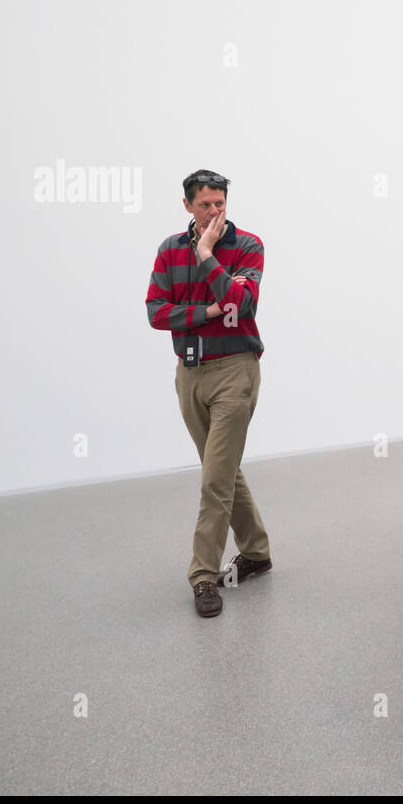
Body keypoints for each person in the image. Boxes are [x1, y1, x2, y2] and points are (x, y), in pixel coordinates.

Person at [145, 169, 272, 616]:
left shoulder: (248, 245)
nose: (215, 212)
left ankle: (202, 576)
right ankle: (256, 551)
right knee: (222, 469)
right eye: (205, 205)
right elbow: (156, 313)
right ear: (187, 206)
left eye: (220, 203)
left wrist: (205, 254)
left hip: (235, 371)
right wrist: (206, 311)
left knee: (214, 478)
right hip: (189, 374)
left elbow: (242, 304)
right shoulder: (167, 251)